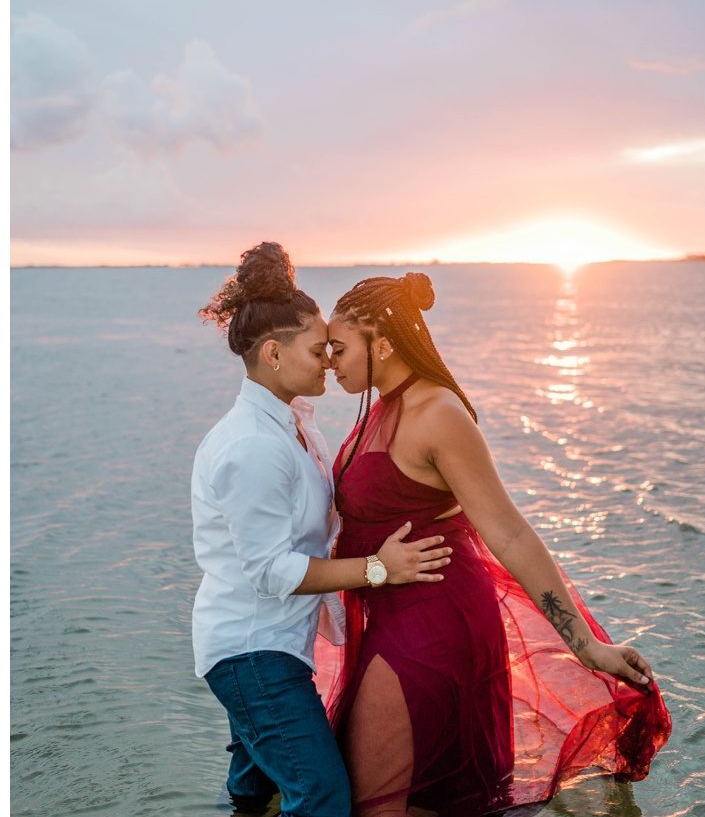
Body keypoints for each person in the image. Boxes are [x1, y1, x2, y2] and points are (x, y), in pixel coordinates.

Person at [320, 271, 672, 817]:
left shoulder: (438, 413)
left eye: (339, 348)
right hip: (388, 616)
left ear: (382, 342)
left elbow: (508, 532)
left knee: (379, 803)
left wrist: (586, 646)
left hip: (431, 623)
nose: (330, 361)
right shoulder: (382, 408)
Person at [191, 244, 452, 817]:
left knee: (254, 793)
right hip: (253, 654)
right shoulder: (254, 446)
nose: (330, 361)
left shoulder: (294, 426)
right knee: (324, 797)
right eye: (318, 350)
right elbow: (270, 571)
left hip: (271, 645)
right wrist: (381, 570)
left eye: (333, 348)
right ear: (274, 354)